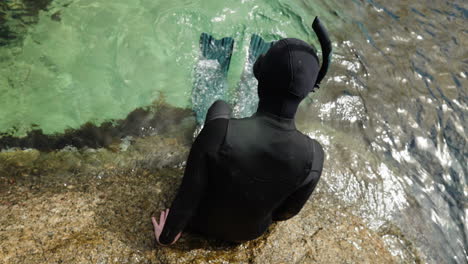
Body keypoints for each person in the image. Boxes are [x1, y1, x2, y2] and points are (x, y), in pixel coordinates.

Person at [152, 18, 332, 245]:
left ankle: (214, 64)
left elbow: (188, 196)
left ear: (260, 75)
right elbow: (285, 213)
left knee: (221, 106)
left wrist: (166, 237)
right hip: (248, 233)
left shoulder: (218, 133)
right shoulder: (315, 156)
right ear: (307, 92)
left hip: (200, 224)